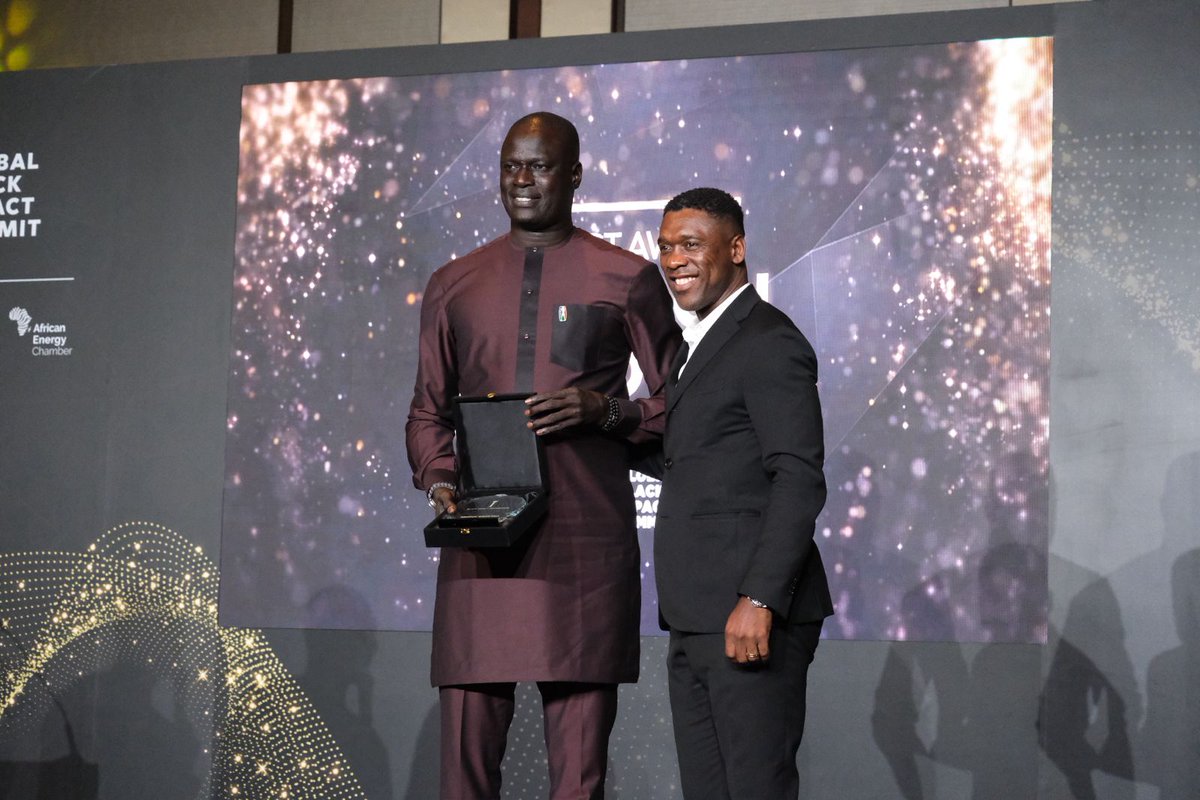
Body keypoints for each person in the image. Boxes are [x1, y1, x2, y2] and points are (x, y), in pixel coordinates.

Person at [406, 111, 681, 799]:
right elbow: (426, 410)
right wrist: (439, 477)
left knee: (578, 783)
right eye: (510, 165)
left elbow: (685, 405)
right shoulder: (453, 282)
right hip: (481, 549)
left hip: (584, 552)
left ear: (575, 176)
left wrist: (607, 410)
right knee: (464, 777)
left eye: (540, 166)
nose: (521, 180)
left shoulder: (627, 277)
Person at [653, 187, 832, 799]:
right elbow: (696, 460)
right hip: (695, 618)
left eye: (691, 244)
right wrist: (600, 423)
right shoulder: (694, 345)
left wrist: (759, 597)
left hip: (751, 618)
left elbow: (800, 477)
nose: (674, 258)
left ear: (736, 248)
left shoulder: (768, 340)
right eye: (666, 246)